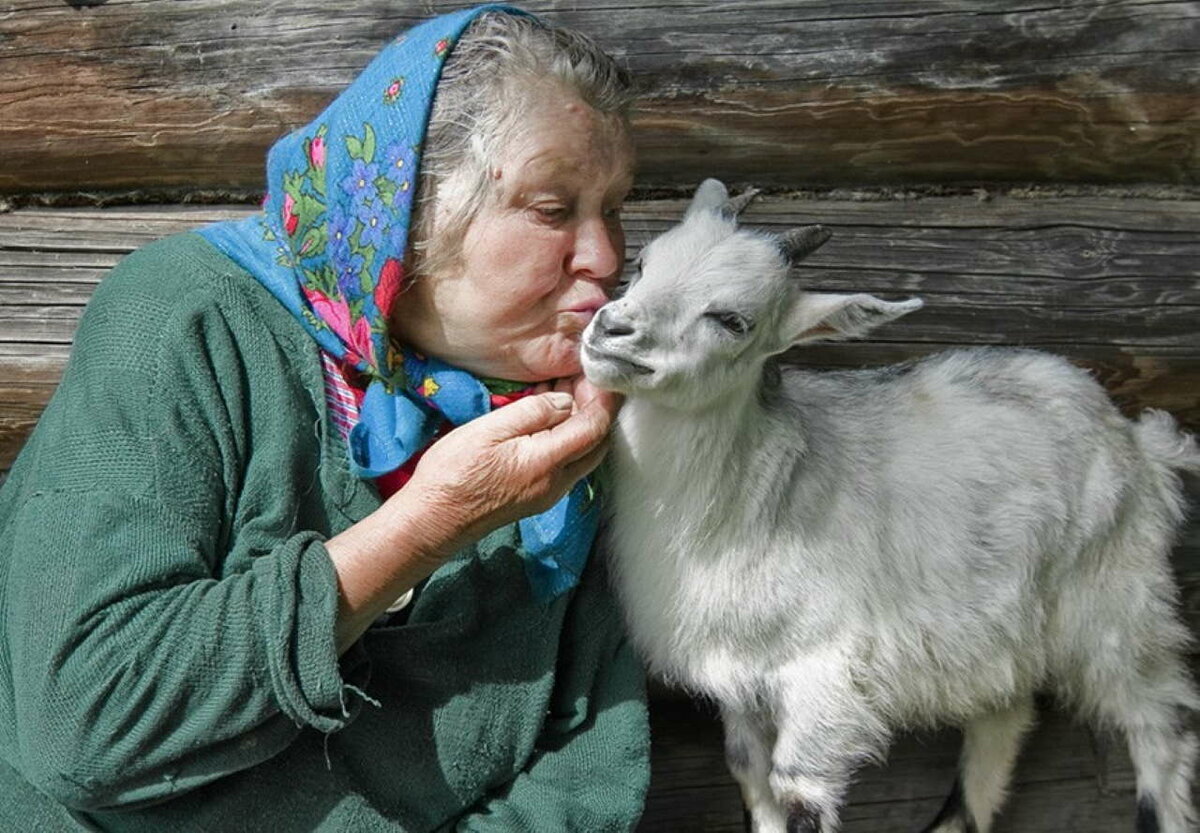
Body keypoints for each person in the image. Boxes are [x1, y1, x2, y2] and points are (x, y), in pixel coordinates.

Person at [0, 5, 649, 831]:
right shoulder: (188, 321)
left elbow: (583, 776)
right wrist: (428, 525)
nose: (604, 255)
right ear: (406, 209)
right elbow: (85, 723)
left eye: (616, 207)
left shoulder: (578, 424)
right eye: (555, 208)